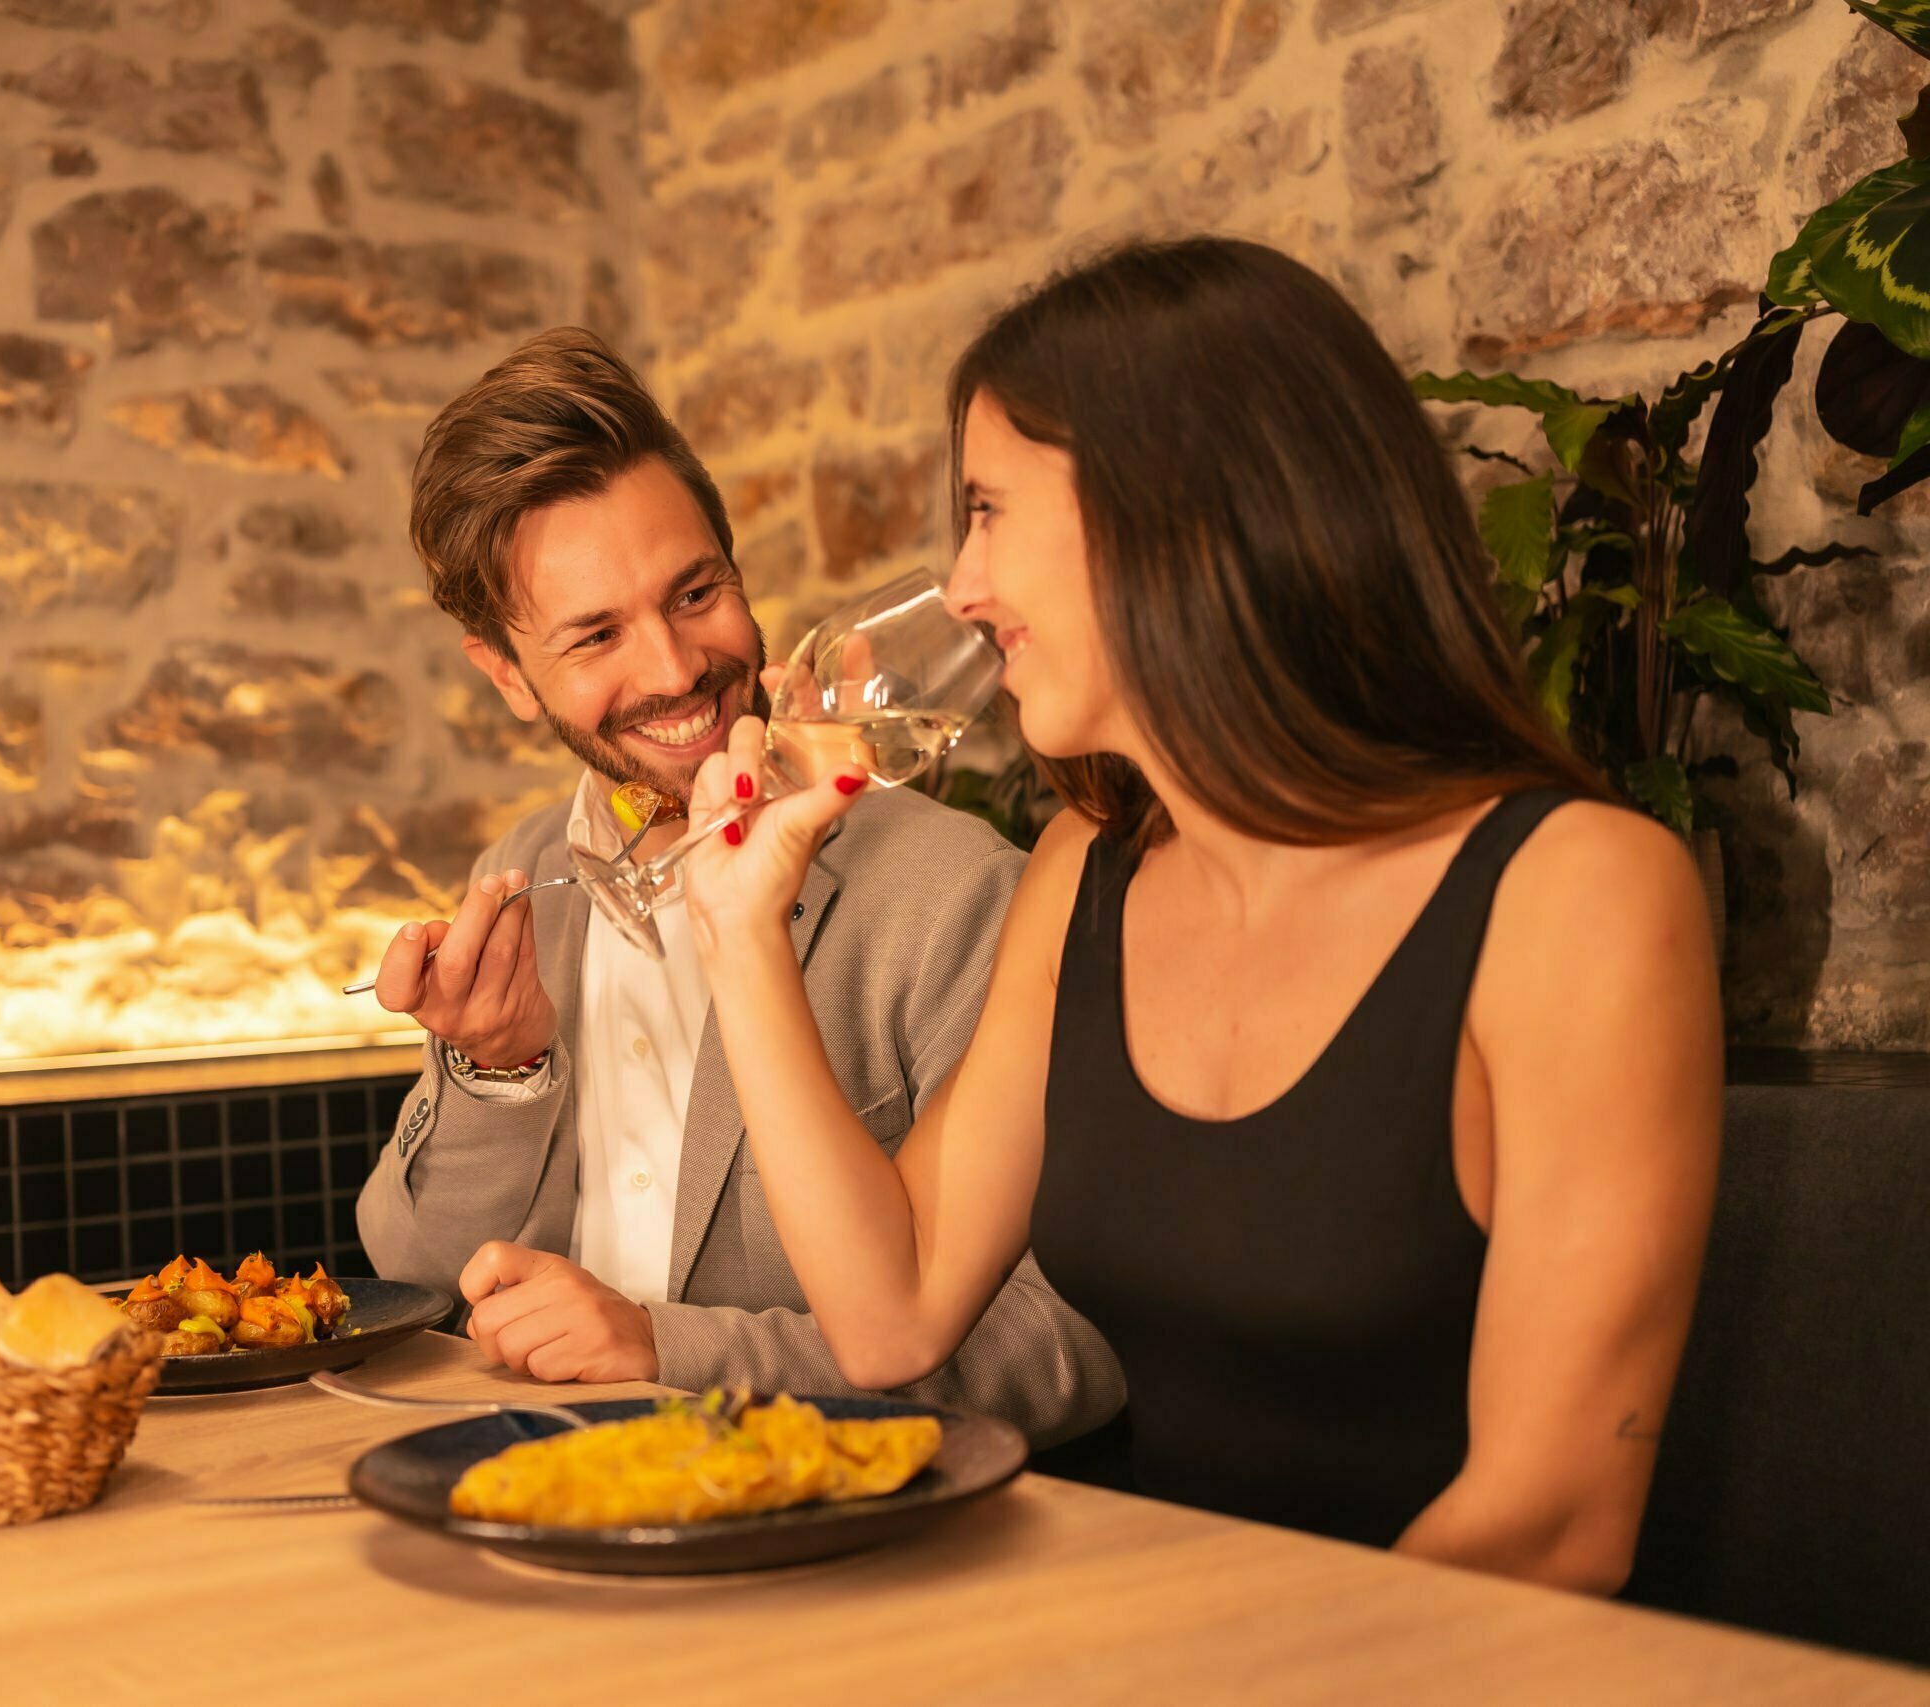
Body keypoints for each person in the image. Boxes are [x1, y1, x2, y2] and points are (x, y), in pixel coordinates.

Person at [675, 239, 1722, 1592]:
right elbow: (892, 1314)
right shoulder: (1085, 873)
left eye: (988, 510)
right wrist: (741, 931)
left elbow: (1553, 1520)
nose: (965, 584)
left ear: (1171, 508)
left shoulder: (1577, 894)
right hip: (1148, 1634)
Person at [355, 328, 1123, 1447]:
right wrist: (496, 1072)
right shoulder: (524, 876)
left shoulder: (958, 893)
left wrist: (669, 1350)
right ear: (508, 675)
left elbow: (1063, 1351)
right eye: (597, 635)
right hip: (554, 1499)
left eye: (695, 591)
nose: (675, 669)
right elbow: (417, 1281)